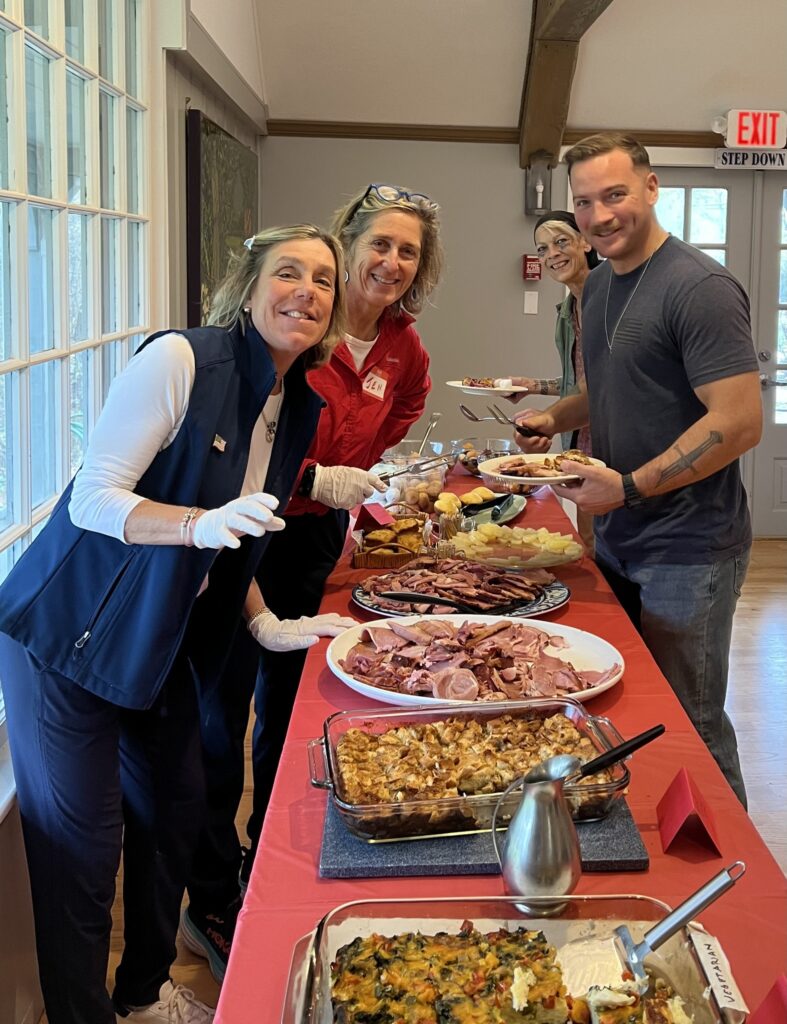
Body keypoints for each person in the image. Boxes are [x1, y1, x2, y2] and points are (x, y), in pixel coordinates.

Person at [0, 223, 357, 1024]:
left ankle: (144, 995)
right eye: (288, 272)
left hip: (155, 647)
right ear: (248, 287)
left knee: (175, 815)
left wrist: (263, 622)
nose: (305, 289)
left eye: (322, 280)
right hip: (67, 640)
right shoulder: (182, 360)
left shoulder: (290, 397)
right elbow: (94, 498)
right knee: (83, 859)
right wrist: (195, 525)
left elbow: (235, 532)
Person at [181, 182, 444, 980]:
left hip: (312, 542)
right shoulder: (292, 332)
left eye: (408, 252)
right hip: (234, 531)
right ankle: (213, 898)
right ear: (349, 240)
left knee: (295, 713)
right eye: (380, 244)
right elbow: (240, 454)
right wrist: (314, 475)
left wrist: (357, 478)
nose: (391, 262)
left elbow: (402, 413)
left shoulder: (402, 347)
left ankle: (274, 862)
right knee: (218, 722)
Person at [512, 132, 761, 807]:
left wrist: (626, 487)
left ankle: (732, 888)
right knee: (620, 709)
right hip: (618, 540)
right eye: (585, 202)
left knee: (691, 725)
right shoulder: (596, 289)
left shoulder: (698, 287)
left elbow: (737, 421)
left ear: (650, 188)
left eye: (614, 194)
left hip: (687, 549)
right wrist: (551, 418)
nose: (599, 216)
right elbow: (618, 388)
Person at [506, 210, 600, 550]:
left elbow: (603, 388)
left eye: (561, 242)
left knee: (604, 541)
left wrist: (549, 420)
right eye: (543, 249)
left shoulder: (610, 300)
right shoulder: (567, 309)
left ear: (586, 242)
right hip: (581, 436)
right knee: (589, 537)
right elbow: (579, 380)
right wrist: (532, 386)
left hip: (612, 441)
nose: (552, 254)